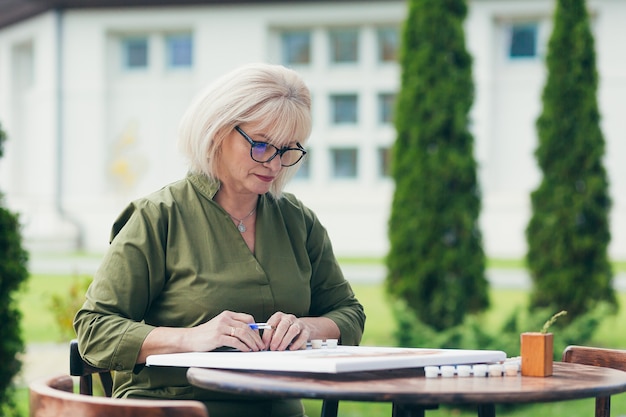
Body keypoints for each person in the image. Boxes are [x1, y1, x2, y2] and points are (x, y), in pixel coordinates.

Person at [73, 62, 366, 417]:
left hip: (276, 407)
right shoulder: (159, 216)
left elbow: (349, 313)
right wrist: (193, 338)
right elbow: (95, 329)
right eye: (261, 145)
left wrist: (306, 328)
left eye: (289, 150)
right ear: (217, 132)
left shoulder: (296, 220)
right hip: (174, 406)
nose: (274, 163)